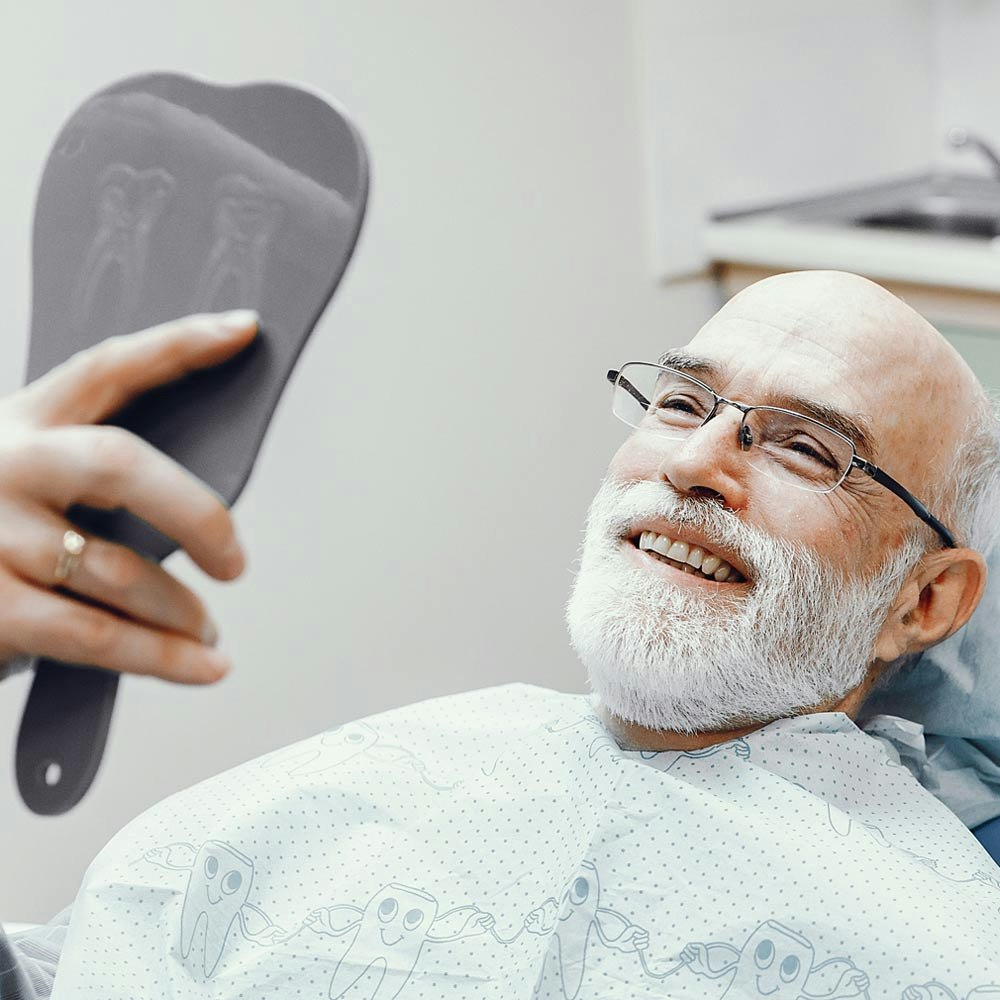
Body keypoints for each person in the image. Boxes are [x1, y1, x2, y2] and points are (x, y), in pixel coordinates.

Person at [3, 271, 1000, 998]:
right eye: (681, 401)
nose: (694, 459)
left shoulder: (943, 944)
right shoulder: (369, 787)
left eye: (805, 446)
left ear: (922, 602)